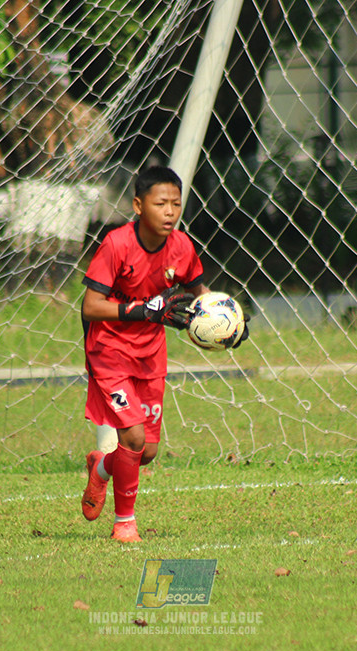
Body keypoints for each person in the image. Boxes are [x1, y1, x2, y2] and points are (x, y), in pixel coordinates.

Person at [79, 166, 238, 542]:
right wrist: (139, 310)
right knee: (132, 438)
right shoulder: (117, 245)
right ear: (138, 205)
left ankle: (101, 468)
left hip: (150, 354)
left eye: (176, 204)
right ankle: (125, 525)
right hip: (109, 352)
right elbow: (90, 306)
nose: (170, 212)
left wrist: (226, 323)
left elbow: (201, 293)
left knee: (146, 451)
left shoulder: (182, 246)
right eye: (161, 203)